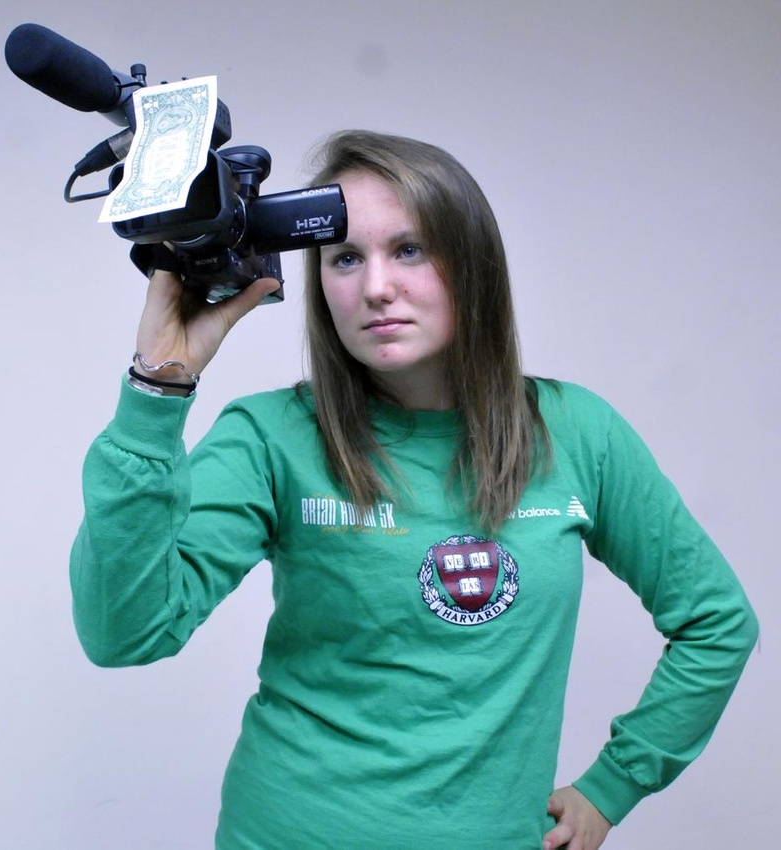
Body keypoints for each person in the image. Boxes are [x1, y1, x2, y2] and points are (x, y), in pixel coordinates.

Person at [70, 130, 758, 850]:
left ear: (473, 263)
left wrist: (614, 786)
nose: (375, 287)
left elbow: (716, 623)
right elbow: (125, 632)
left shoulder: (579, 433)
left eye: (409, 249)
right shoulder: (271, 437)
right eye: (344, 258)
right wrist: (157, 388)